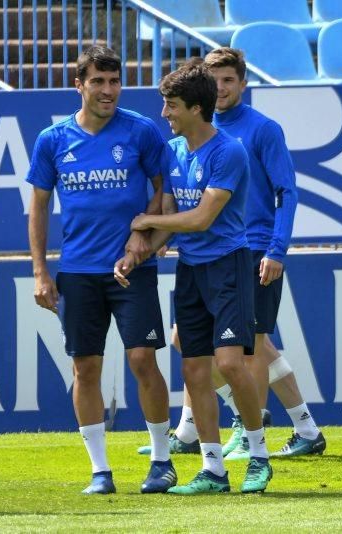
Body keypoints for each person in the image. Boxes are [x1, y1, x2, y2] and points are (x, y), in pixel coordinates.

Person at [139, 48, 325, 461]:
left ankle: (246, 429)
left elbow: (287, 192)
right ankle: (302, 427)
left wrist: (277, 249)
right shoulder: (189, 138)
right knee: (193, 343)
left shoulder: (261, 130)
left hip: (252, 249)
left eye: (229, 80)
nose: (221, 88)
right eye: (215, 80)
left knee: (250, 348)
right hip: (209, 253)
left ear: (243, 83)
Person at [115, 58, 272, 494]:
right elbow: (171, 222)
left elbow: (202, 218)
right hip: (190, 269)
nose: (164, 114)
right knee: (194, 372)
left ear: (196, 108)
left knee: (228, 363)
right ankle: (213, 470)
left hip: (228, 266)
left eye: (171, 106)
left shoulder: (229, 151)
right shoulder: (175, 151)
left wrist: (145, 222)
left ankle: (258, 454)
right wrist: (138, 251)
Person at [26, 45, 176, 495]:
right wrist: (40, 272)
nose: (108, 90)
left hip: (131, 270)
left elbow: (163, 189)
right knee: (85, 368)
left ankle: (162, 463)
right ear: (80, 85)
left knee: (142, 359)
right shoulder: (53, 140)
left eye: (114, 81)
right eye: (98, 81)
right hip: (77, 271)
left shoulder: (142, 131)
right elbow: (37, 207)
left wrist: (144, 234)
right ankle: (100, 471)